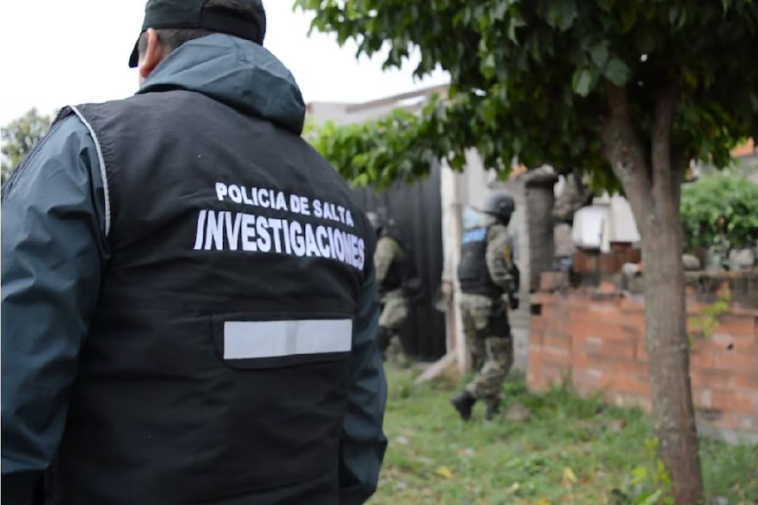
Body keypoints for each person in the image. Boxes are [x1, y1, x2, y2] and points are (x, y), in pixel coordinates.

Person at [1, 1, 387, 503]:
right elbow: (360, 426)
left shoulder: (91, 151)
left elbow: (14, 384)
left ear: (150, 49)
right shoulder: (337, 197)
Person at [450, 192, 520, 422]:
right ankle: (467, 397)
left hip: (465, 300)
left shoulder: (472, 231)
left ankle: (492, 408)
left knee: (485, 359)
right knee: (502, 358)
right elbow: (496, 263)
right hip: (486, 301)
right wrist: (510, 288)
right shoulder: (498, 232)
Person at [368, 212, 411, 367]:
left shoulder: (385, 244)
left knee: (382, 331)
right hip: (389, 295)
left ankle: (377, 364)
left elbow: (379, 273)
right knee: (390, 333)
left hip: (397, 296)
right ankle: (400, 365)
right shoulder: (381, 243)